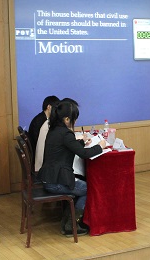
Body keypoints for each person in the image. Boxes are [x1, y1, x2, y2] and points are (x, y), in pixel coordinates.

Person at [38, 100, 106, 236]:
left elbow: (69, 147)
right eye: (74, 118)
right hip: (56, 182)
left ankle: (67, 220)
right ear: (67, 119)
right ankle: (72, 223)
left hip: (49, 177)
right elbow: (84, 154)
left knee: (81, 187)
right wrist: (100, 147)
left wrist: (81, 142)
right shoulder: (65, 134)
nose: (75, 121)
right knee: (89, 189)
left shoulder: (54, 130)